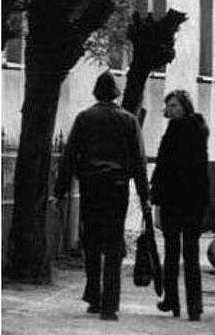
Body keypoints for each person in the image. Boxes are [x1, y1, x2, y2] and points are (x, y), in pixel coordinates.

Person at [53, 70, 152, 321]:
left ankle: (94, 296)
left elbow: (70, 155)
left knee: (92, 242)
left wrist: (60, 190)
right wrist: (144, 196)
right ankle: (110, 305)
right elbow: (139, 162)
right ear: (117, 95)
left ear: (96, 93)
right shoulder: (129, 121)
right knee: (113, 242)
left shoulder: (85, 118)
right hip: (117, 187)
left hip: (91, 186)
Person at [150, 89, 210, 321]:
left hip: (176, 201)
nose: (171, 109)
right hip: (192, 201)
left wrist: (157, 196)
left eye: (175, 105)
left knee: (174, 254)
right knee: (189, 254)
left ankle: (172, 301)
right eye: (169, 106)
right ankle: (194, 307)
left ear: (185, 106)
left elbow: (165, 168)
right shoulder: (199, 130)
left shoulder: (177, 131)